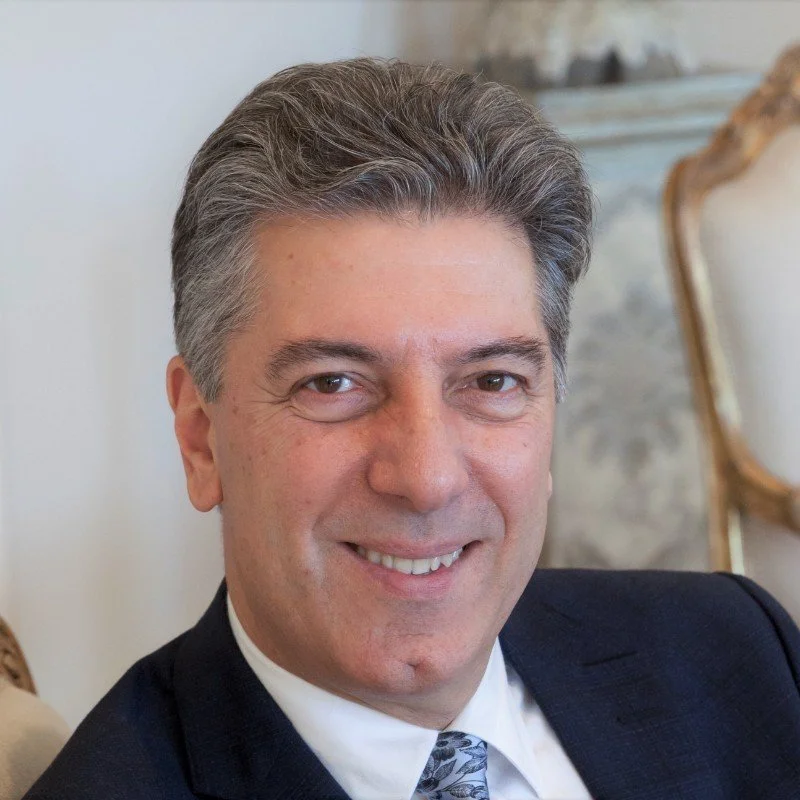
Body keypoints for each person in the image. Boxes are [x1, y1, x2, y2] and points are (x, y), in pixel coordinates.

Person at [25, 58, 800, 800]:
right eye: (333, 384)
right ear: (201, 437)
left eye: (492, 381)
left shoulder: (736, 651)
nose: (427, 477)